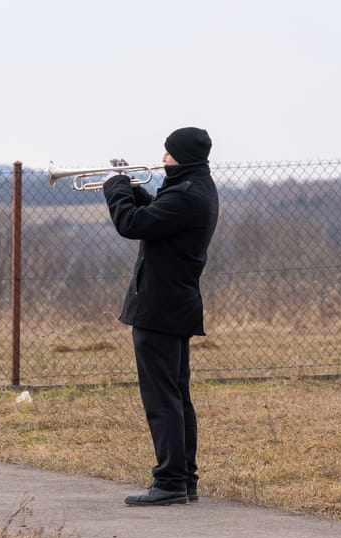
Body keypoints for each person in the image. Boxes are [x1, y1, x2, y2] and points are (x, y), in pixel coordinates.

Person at [102, 127, 219, 506]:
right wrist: (133, 187)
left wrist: (115, 188)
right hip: (173, 304)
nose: (163, 158)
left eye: (168, 153)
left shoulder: (187, 195)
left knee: (162, 398)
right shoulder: (194, 188)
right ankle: (184, 480)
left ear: (182, 156)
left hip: (160, 308)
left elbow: (133, 224)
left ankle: (169, 482)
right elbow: (156, 215)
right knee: (176, 395)